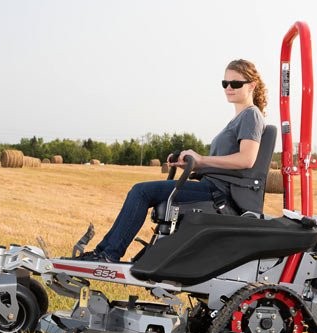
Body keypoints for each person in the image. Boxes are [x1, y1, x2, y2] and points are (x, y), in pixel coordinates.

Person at [79, 59, 267, 262]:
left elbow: (247, 159)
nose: (229, 88)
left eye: (235, 83)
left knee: (141, 192)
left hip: (218, 194)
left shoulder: (251, 115)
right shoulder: (238, 118)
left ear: (252, 85)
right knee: (141, 191)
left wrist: (201, 160)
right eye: (225, 83)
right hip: (211, 186)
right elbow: (221, 162)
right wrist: (190, 162)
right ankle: (102, 253)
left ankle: (108, 254)